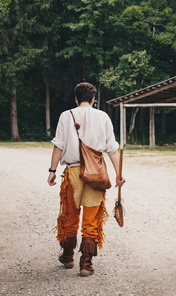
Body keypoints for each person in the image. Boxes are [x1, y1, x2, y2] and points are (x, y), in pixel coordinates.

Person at [47, 82, 125, 277]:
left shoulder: (66, 116)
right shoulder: (103, 117)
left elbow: (58, 146)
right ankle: (86, 263)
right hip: (96, 174)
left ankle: (67, 255)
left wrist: (52, 170)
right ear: (93, 99)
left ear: (75, 98)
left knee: (69, 215)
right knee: (91, 218)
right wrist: (119, 174)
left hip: (73, 173)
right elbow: (112, 149)